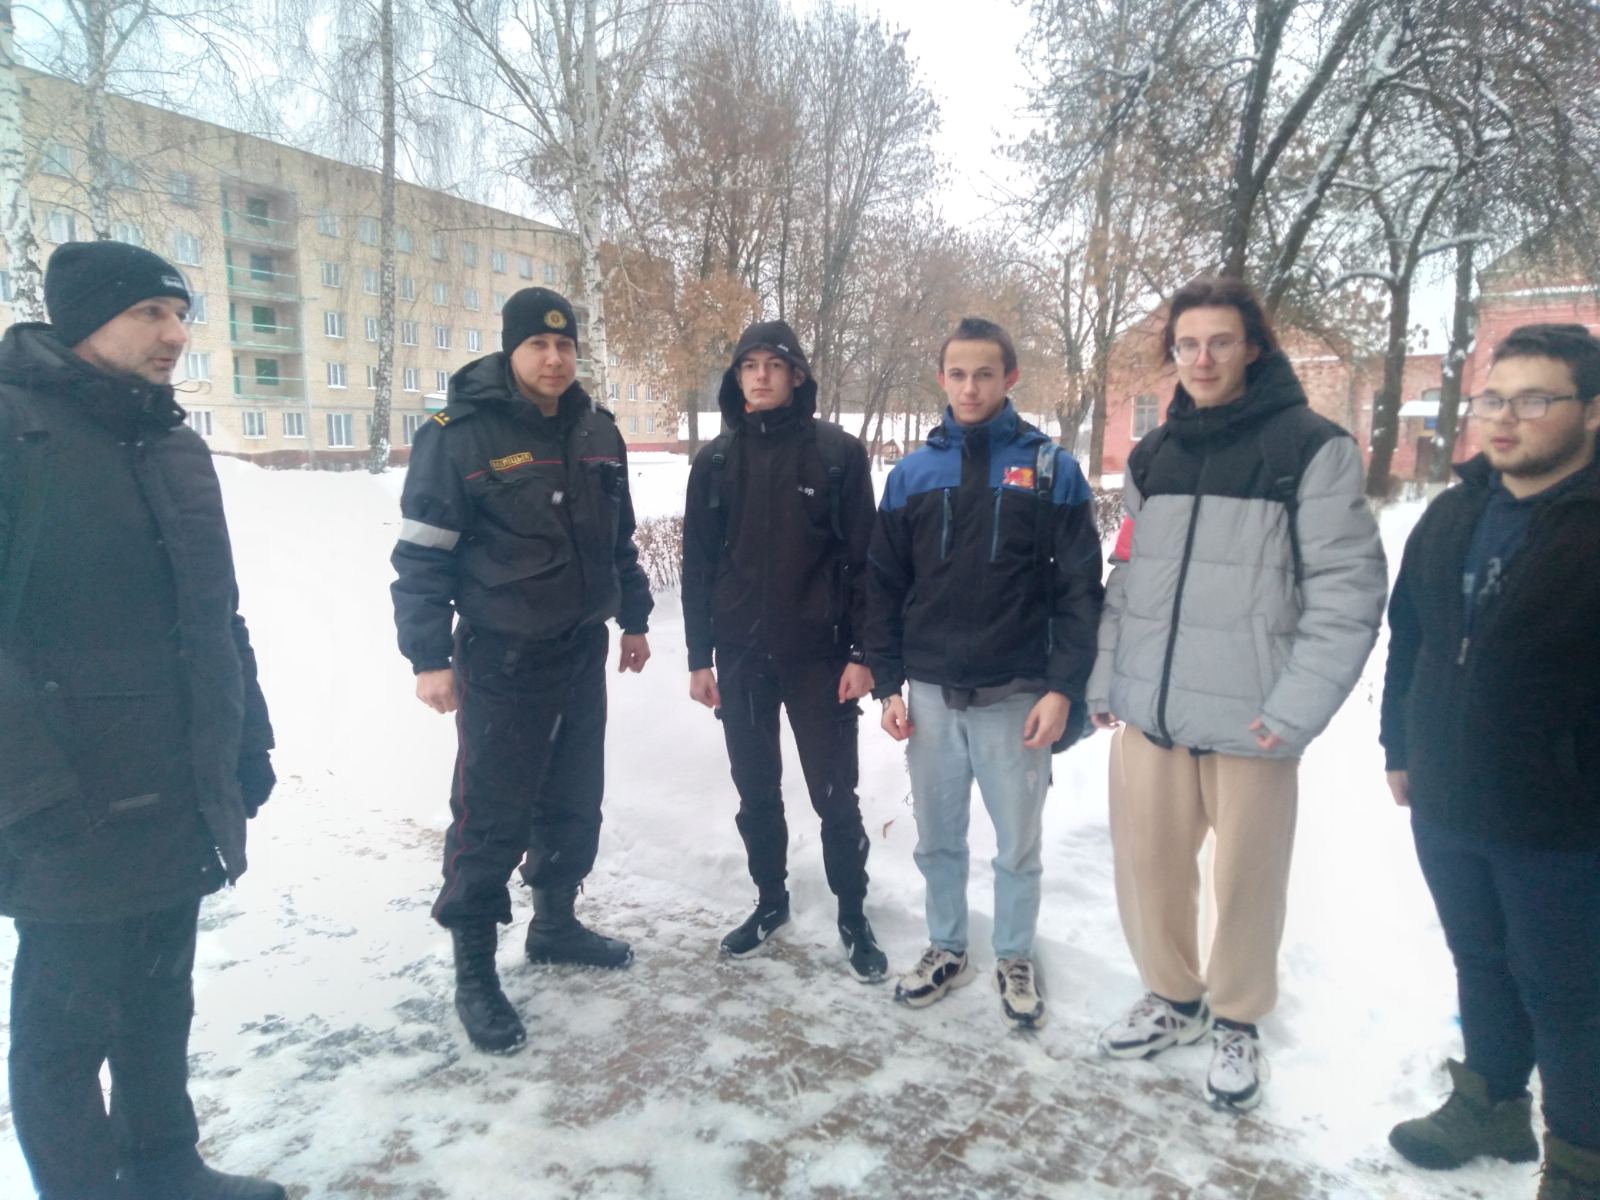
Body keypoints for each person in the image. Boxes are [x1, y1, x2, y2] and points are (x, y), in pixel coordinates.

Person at [0, 242, 284, 1199]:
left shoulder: (173, 445)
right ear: (87, 319)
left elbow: (216, 614)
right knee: (64, 1028)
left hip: (175, 778)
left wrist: (246, 736)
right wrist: (28, 794)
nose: (175, 335)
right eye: (150, 314)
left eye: (180, 314)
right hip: (67, 797)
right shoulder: (13, 431)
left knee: (160, 995)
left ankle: (165, 1165)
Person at [1087, 276, 1385, 1111]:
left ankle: (1239, 1020)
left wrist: (1294, 710)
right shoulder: (1154, 456)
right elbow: (1128, 577)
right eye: (1187, 344)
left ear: (1253, 347)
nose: (1203, 358)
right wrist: (1107, 677)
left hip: (1252, 719)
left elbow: (1348, 592)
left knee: (1248, 883)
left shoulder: (1309, 448)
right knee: (1148, 868)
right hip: (1151, 712)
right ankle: (1172, 997)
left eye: (1220, 341)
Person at [391, 287, 652, 1054]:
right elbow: (421, 557)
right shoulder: (459, 436)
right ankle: (474, 970)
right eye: (539, 345)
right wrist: (428, 657)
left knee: (573, 796)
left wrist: (635, 618)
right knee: (492, 814)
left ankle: (555, 924)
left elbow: (619, 539)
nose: (554, 358)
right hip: (502, 656)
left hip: (580, 648)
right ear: (512, 350)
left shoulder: (598, 429)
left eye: (565, 345)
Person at [1381, 323, 1600, 1198]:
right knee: (1480, 960)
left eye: (1534, 400)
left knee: (1568, 995)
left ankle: (1579, 1164)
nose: (1505, 419)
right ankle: (1494, 1104)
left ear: (1591, 411)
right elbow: (1411, 635)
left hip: (1563, 818)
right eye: (1493, 400)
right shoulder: (1455, 511)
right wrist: (1400, 744)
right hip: (1449, 796)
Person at [865, 316, 1103, 1029]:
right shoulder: (912, 475)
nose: (970, 388)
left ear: (1010, 378)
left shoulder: (1051, 471)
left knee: (1017, 847)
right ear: (942, 378)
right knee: (937, 839)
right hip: (931, 698)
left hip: (1017, 697)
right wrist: (887, 684)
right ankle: (946, 947)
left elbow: (1080, 592)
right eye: (958, 374)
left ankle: (1014, 953)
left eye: (985, 374)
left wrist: (1064, 689)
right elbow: (882, 584)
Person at [681, 321, 887, 981]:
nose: (762, 375)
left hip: (820, 659)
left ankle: (853, 913)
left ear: (797, 375)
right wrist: (699, 656)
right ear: (737, 377)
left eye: (774, 364)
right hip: (741, 659)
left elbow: (865, 562)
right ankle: (771, 901)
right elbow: (697, 566)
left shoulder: (836, 455)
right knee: (756, 791)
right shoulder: (715, 462)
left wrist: (863, 653)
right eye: (750, 365)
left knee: (835, 795)